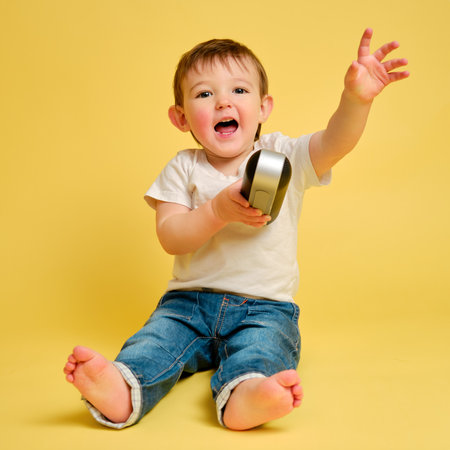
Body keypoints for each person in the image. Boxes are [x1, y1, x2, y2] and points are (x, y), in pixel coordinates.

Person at [63, 29, 409, 431]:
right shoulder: (183, 168)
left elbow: (336, 141)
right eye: (204, 94)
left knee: (262, 350)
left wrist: (356, 99)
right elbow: (171, 235)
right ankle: (123, 387)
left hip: (264, 308)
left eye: (239, 90)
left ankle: (246, 395)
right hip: (186, 305)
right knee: (154, 342)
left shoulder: (283, 156)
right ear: (181, 117)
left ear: (264, 107)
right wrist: (216, 211)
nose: (223, 101)